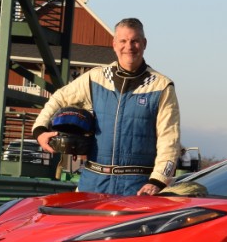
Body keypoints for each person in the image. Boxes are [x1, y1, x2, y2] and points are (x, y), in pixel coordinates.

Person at [33, 18, 180, 196]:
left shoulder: (161, 86)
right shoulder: (95, 78)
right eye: (123, 41)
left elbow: (169, 140)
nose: (129, 46)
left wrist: (158, 181)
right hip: (92, 182)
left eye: (135, 41)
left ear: (144, 43)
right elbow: (58, 98)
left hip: (139, 188)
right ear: (114, 44)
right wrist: (40, 130)